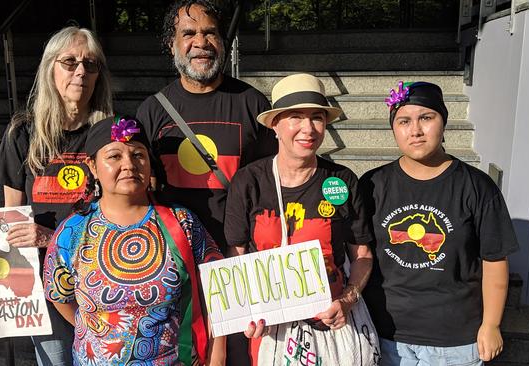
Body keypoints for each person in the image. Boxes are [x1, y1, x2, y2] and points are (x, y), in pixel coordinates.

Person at [224, 73, 380, 366]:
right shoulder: (249, 182)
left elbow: (362, 256)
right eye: (295, 117)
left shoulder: (342, 181)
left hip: (332, 327)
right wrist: (246, 312)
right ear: (275, 125)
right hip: (271, 333)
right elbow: (236, 257)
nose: (308, 129)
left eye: (317, 118)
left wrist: (347, 301)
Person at [42, 116, 225, 365]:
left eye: (138, 155)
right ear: (93, 166)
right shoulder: (72, 232)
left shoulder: (182, 223)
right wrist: (98, 331)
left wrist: (217, 357)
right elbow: (59, 296)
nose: (129, 165)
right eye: (114, 156)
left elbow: (218, 289)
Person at [359, 81, 519, 365]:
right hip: (385, 334)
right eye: (404, 121)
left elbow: (494, 259)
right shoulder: (373, 184)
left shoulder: (477, 186)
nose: (416, 130)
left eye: (426, 118)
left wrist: (491, 324)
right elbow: (360, 253)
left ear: (443, 122)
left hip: (454, 340)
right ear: (394, 128)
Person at [0, 26, 112, 365]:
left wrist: (51, 237)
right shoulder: (21, 134)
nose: (81, 71)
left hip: (102, 280)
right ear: (50, 69)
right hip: (44, 285)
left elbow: (124, 218)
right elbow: (9, 219)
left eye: (90, 63)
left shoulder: (111, 135)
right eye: (69, 62)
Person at [135, 0, 277, 251]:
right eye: (188, 33)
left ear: (223, 42)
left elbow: (270, 181)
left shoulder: (252, 104)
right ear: (172, 45)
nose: (201, 42)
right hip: (176, 251)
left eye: (210, 32)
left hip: (238, 251)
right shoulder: (153, 110)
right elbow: (147, 187)